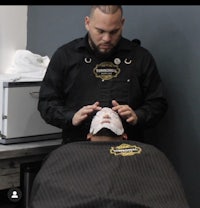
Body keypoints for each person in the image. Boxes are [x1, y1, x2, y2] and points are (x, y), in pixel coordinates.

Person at [38, 5, 168, 144]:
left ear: (122, 24)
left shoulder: (140, 58)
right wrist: (71, 117)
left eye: (114, 32)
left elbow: (157, 103)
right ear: (87, 23)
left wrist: (138, 116)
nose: (107, 38)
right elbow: (47, 103)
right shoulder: (66, 56)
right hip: (78, 148)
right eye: (100, 31)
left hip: (127, 151)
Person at [29, 107, 190, 208]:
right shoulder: (66, 153)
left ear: (125, 135)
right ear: (89, 136)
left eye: (113, 115)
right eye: (100, 115)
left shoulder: (149, 153)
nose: (106, 114)